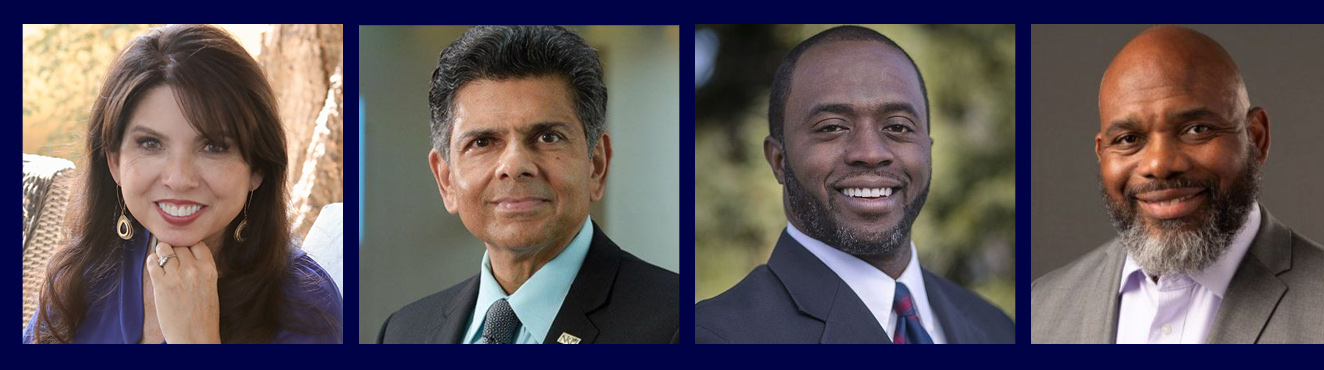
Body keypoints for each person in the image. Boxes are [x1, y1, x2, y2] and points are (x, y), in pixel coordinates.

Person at [1030, 26, 1324, 344]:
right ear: (1102, 154)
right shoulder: (1041, 308)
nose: (1159, 165)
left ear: (1256, 138)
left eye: (1197, 129)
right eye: (1128, 139)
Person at [694, 25, 1014, 344]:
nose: (871, 153)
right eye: (832, 127)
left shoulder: (996, 328)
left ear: (928, 150)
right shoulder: (716, 337)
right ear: (778, 159)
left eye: (898, 126)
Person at [23, 24, 342, 344]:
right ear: (114, 161)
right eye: (150, 144)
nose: (178, 179)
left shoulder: (306, 306)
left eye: (214, 146)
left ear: (257, 168)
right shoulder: (84, 274)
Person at [376, 25, 678, 344]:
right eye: (482, 142)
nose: (515, 166)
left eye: (548, 137)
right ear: (446, 179)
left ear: (597, 165)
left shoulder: (682, 325)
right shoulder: (402, 332)